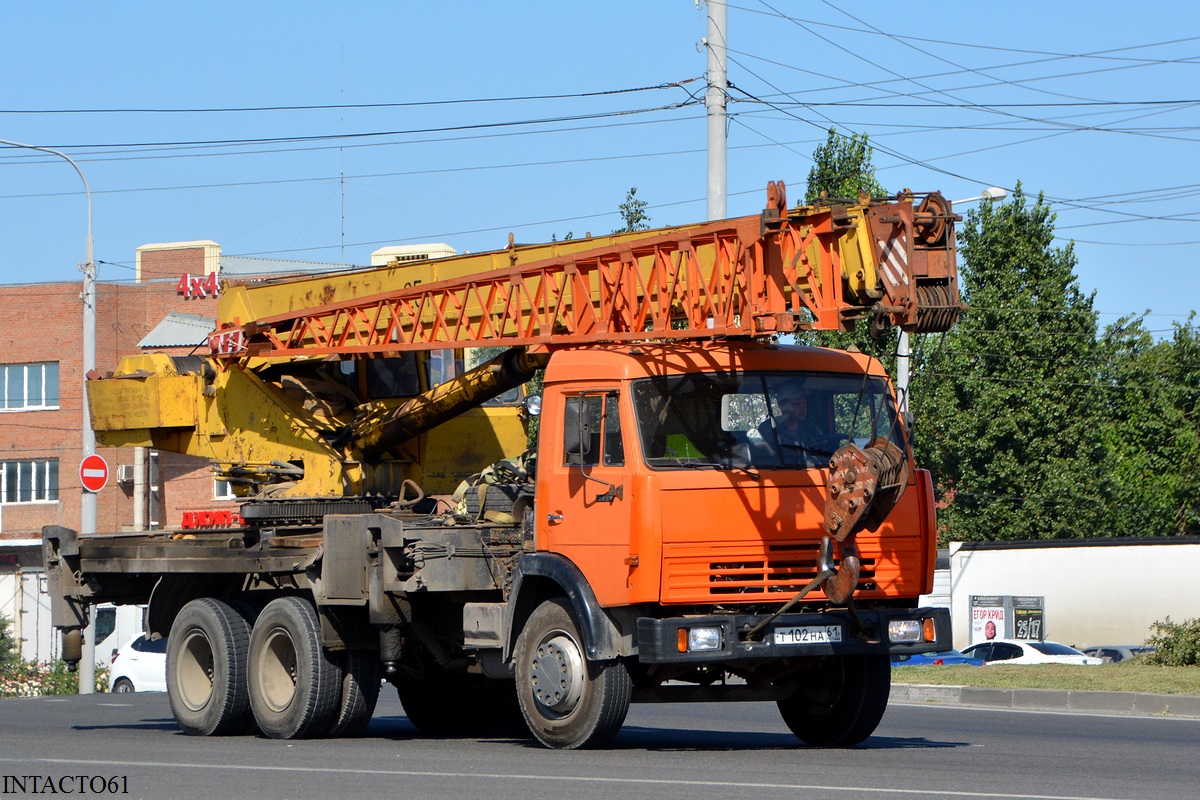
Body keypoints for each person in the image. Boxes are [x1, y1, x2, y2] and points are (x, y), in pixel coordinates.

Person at [758, 382, 824, 453]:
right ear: (782, 406)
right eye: (797, 404)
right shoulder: (768, 428)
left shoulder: (812, 429)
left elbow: (824, 451)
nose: (804, 408)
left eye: (805, 403)